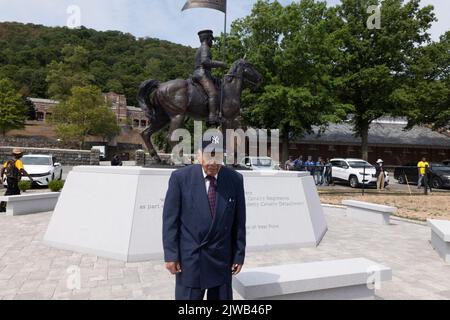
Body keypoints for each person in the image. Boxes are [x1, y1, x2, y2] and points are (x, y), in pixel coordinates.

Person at [162, 135, 246, 300]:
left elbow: (239, 221)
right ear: (198, 155)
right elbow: (170, 220)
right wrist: (171, 255)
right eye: (209, 156)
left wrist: (239, 254)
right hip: (192, 258)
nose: (214, 162)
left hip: (222, 259)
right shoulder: (180, 178)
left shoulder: (235, 179)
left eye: (218, 156)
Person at [193, 30, 228, 126]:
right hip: (202, 73)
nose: (212, 42)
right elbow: (205, 62)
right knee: (212, 93)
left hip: (204, 73)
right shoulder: (205, 47)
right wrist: (221, 64)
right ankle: (212, 116)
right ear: (207, 39)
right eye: (211, 39)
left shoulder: (201, 48)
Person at [0, 148, 33, 212]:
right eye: (21, 154)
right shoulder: (18, 162)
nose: (22, 155)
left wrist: (1, 177)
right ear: (18, 155)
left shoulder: (9, 161)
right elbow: (21, 170)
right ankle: (1, 207)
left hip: (9, 178)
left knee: (16, 192)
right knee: (9, 192)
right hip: (13, 179)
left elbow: (2, 168)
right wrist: (29, 177)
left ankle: (15, 206)